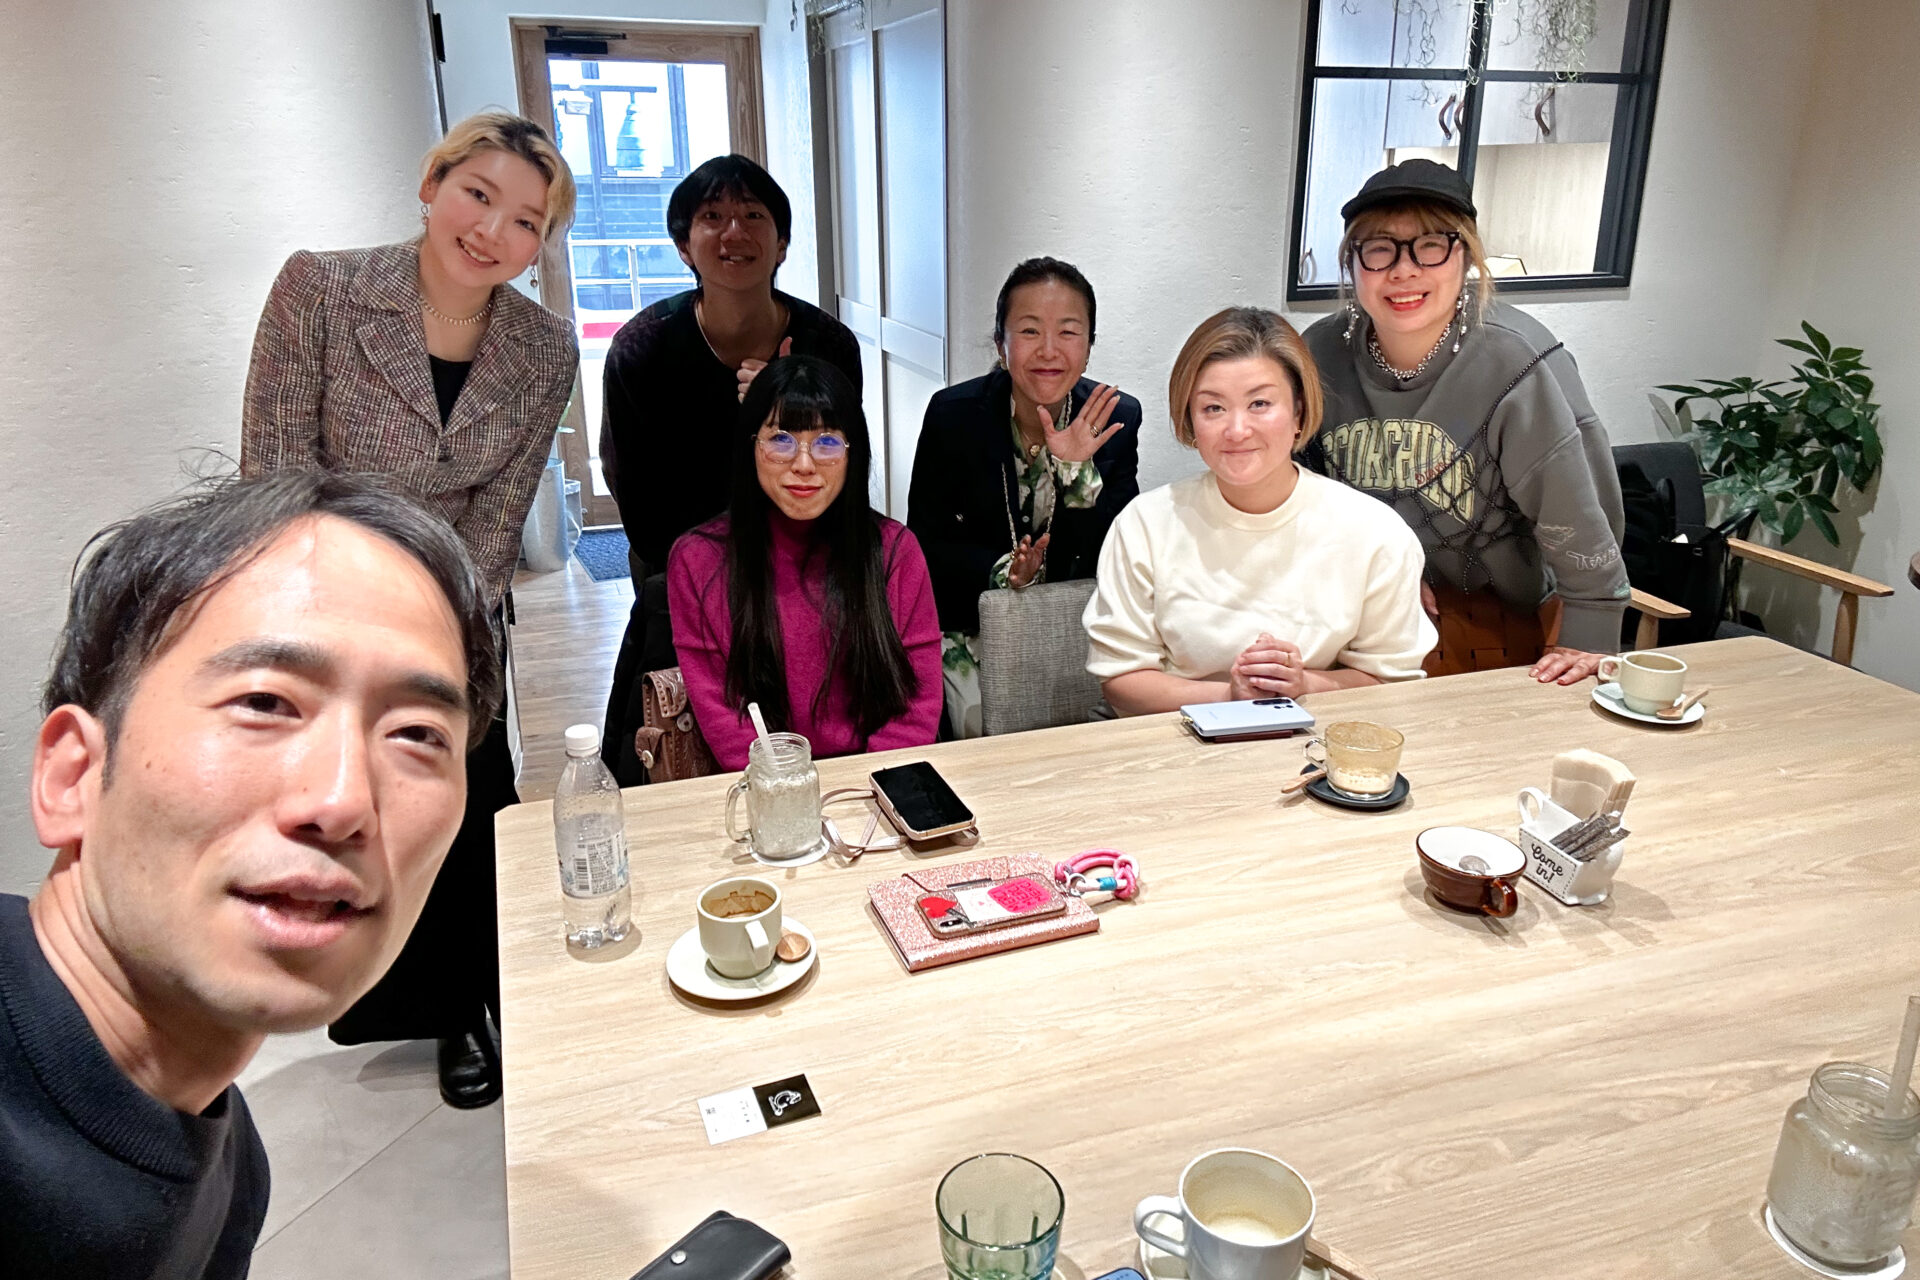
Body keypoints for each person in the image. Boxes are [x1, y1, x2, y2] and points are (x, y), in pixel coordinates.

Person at [1, 471, 500, 1279]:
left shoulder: (232, 1170)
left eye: (416, 734)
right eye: (266, 703)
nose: (342, 801)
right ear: (73, 777)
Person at [241, 110, 578, 1108]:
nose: (493, 231)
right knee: (356, 805)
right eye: (478, 195)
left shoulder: (544, 347)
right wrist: (338, 622)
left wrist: (437, 629)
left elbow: (500, 514)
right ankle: (417, 998)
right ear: (432, 187)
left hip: (453, 610)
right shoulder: (322, 291)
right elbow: (275, 477)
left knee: (467, 802)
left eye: (527, 221)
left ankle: (483, 991)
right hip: (322, 600)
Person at [1300, 158, 1628, 682]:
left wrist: (1590, 633)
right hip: (1355, 609)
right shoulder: (1317, 355)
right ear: (1352, 262)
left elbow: (1581, 514)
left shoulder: (1517, 361)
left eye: (1431, 245)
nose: (1404, 270)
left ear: (1466, 255)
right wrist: (1383, 570)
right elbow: (1298, 493)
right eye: (1379, 248)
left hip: (1497, 624)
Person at [599, 154, 864, 782]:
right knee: (673, 750)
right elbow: (637, 497)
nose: (734, 232)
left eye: (752, 215)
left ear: (782, 243)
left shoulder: (827, 344)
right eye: (712, 217)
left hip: (808, 565)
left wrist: (782, 411)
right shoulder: (642, 349)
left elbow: (842, 466)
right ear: (683, 245)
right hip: (684, 571)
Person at [1085, 307, 1435, 714]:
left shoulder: (1374, 532)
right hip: (1176, 740)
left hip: (1319, 739)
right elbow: (1121, 681)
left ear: (1299, 412)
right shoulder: (1145, 525)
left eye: (1260, 403)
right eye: (1213, 408)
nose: (1237, 430)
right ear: (1191, 420)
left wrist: (1304, 684)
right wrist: (1232, 697)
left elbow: (1390, 680)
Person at [668, 356, 941, 769]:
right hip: (764, 785)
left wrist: (863, 788)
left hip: (879, 781)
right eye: (781, 440)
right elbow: (725, 723)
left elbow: (915, 709)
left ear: (853, 453)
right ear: (751, 446)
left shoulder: (895, 552)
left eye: (827, 442)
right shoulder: (698, 561)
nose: (804, 464)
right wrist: (791, 790)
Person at [908, 257, 1140, 737]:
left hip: (1071, 622)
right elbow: (924, 545)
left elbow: (1114, 552)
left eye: (1068, 332)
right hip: (973, 619)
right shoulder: (954, 415)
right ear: (1001, 344)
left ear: (1089, 346)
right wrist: (1006, 572)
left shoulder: (1116, 419)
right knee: (977, 732)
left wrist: (1076, 470)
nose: (1049, 350)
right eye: (1030, 331)